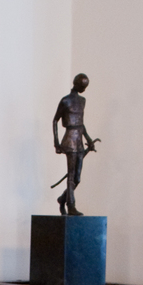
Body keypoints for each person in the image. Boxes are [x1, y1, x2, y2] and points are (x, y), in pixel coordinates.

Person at [53, 73, 99, 216]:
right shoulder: (65, 101)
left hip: (79, 140)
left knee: (77, 178)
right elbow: (55, 120)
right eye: (83, 86)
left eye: (86, 87)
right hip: (69, 140)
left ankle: (63, 198)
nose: (84, 89)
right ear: (76, 84)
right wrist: (56, 143)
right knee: (71, 174)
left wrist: (88, 139)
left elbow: (80, 124)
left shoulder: (82, 101)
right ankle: (71, 205)